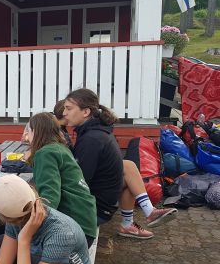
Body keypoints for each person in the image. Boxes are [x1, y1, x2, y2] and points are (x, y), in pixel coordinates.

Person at [62, 89, 177, 239]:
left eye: (68, 108)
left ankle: (143, 215)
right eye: (64, 109)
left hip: (95, 209)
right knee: (128, 167)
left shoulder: (92, 139)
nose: (65, 113)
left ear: (85, 112)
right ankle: (133, 221)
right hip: (104, 201)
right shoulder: (96, 130)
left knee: (127, 168)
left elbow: (80, 181)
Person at [24, 112, 98, 246]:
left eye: (28, 131)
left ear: (35, 131)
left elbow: (50, 198)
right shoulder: (60, 149)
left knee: (0, 243)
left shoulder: (45, 153)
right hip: (86, 223)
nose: (25, 137)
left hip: (74, 230)